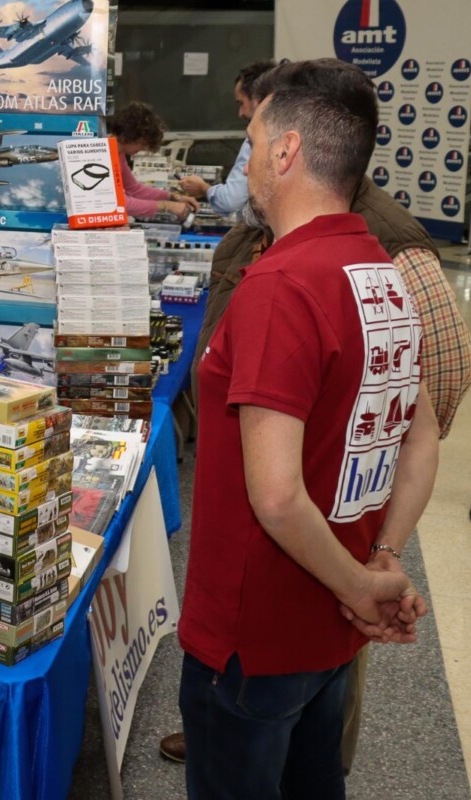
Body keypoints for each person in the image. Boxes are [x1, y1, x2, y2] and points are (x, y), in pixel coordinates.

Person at [178, 58, 439, 799]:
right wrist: (380, 561)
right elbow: (422, 438)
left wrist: (362, 584)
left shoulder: (280, 287)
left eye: (256, 141)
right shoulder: (381, 272)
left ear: (287, 152)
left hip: (252, 635)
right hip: (331, 629)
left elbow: (278, 496)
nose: (251, 160)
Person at [177, 60, 276, 216]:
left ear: (258, 99)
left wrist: (204, 188)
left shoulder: (258, 137)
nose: (240, 113)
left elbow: (231, 200)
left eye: (241, 103)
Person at [107, 101, 199, 221]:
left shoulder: (118, 153)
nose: (143, 148)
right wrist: (166, 206)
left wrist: (173, 197)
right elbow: (120, 204)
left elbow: (135, 189)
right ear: (131, 136)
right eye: (142, 143)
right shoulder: (101, 153)